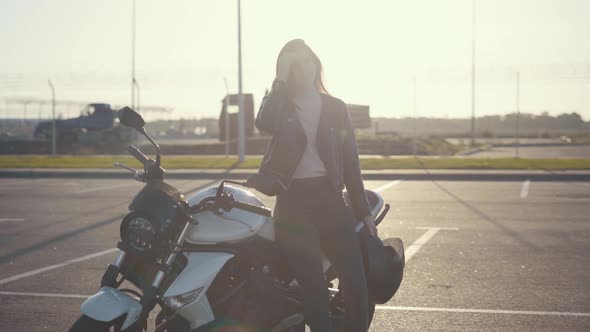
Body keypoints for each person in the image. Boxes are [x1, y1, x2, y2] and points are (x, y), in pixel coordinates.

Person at [254, 39, 377, 332]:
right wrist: (280, 77)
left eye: (306, 62)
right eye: (294, 66)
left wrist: (364, 213)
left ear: (316, 64)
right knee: (313, 288)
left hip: (329, 199)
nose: (302, 70)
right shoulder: (280, 107)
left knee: (356, 282)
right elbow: (263, 123)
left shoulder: (335, 107)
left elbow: (351, 165)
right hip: (292, 203)